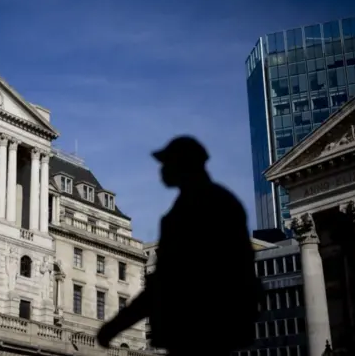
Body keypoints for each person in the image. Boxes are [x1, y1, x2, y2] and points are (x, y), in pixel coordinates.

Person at [96, 136, 262, 356]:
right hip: (209, 330)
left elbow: (167, 281)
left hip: (197, 328)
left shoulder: (191, 211)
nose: (162, 169)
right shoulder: (218, 202)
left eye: (167, 163)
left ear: (183, 164)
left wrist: (115, 326)